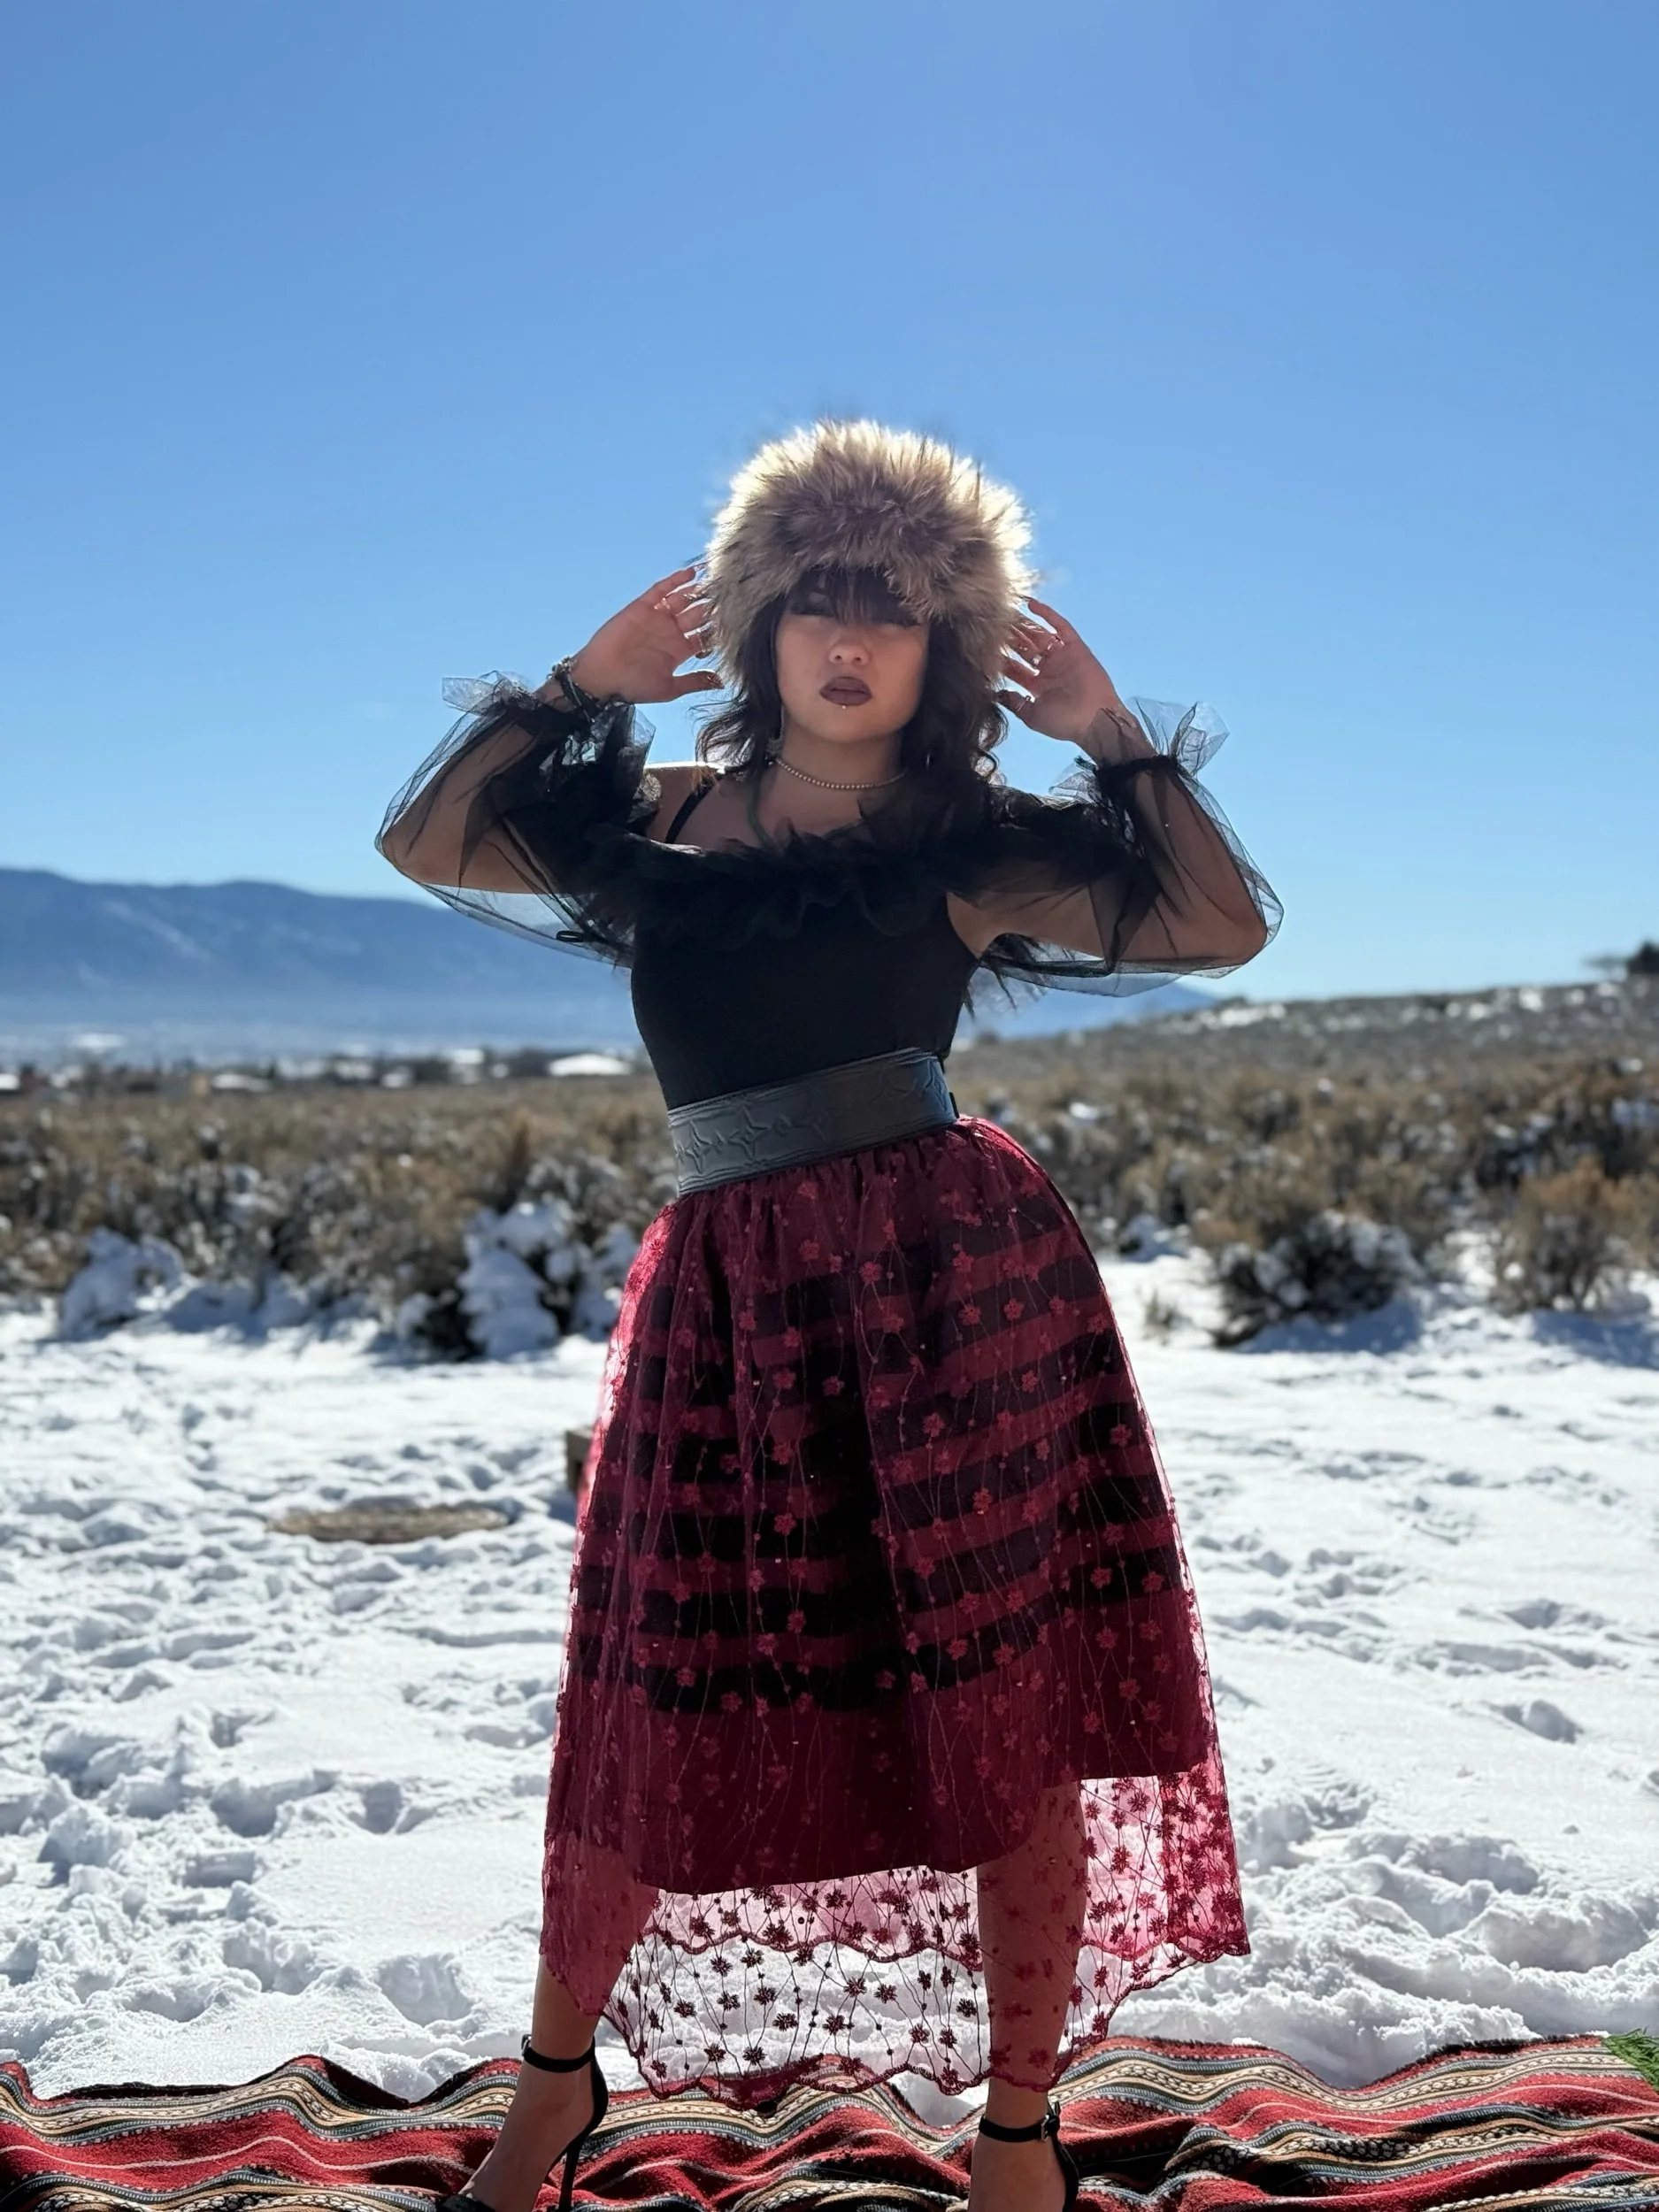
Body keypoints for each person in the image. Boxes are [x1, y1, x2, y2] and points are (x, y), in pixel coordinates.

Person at [379, 421, 1278, 2212]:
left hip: (956, 1298)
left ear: (950, 646)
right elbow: (431, 837)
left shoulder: (966, 844)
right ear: (757, 622)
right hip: (727, 1311)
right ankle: (555, 2086)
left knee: (1002, 1706)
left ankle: (1014, 2131)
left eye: (898, 611)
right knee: (650, 1700)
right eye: (817, 603)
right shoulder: (654, 821)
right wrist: (577, 688)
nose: (852, 641)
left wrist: (1109, 731)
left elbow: (1216, 921)